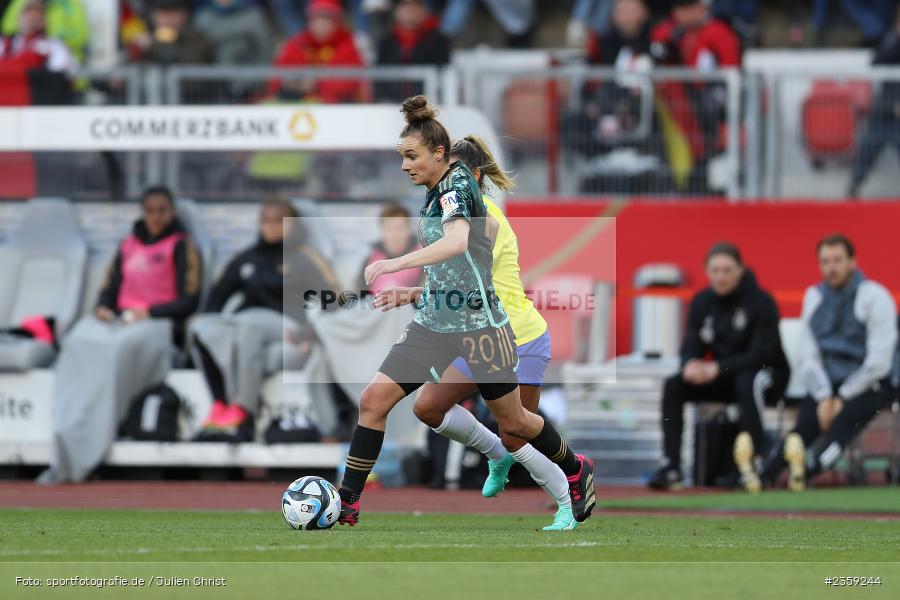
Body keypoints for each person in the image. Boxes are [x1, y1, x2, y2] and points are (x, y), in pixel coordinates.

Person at [334, 95, 595, 527]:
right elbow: (453, 264)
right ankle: (347, 502)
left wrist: (393, 265)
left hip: (483, 327)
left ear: (440, 155)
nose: (403, 165)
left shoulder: (458, 187)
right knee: (376, 400)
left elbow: (457, 243)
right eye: (402, 156)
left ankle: (574, 469)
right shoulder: (436, 190)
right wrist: (412, 294)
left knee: (515, 424)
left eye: (410, 156)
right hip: (437, 324)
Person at [376, 135, 576, 530]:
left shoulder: (487, 221)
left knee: (519, 431)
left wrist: (409, 284)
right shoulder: (455, 217)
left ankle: (567, 500)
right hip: (476, 335)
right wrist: (414, 293)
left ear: (475, 176)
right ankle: (495, 453)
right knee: (428, 407)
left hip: (517, 338)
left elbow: (474, 288)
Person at [37, 186, 202, 484]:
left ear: (171, 211)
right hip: (118, 321)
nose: (155, 217)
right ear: (142, 211)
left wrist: (149, 312)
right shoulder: (127, 245)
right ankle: (66, 431)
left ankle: (96, 438)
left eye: (162, 210)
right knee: (77, 343)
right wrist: (102, 307)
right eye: (149, 210)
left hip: (155, 326)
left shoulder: (181, 246)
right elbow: (108, 290)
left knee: (116, 352)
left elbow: (189, 300)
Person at [190, 200, 340, 441]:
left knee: (247, 325)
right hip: (246, 329)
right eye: (265, 221)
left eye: (278, 221)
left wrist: (309, 334)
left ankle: (243, 412)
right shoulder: (247, 258)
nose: (271, 227)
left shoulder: (306, 258)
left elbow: (333, 302)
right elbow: (215, 301)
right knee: (201, 328)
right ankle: (219, 404)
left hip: (289, 329)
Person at [648, 242, 790, 492]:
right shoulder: (702, 302)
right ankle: (671, 464)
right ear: (707, 272)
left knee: (748, 381)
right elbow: (690, 343)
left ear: (740, 270)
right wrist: (690, 365)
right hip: (725, 376)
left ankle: (750, 465)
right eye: (716, 270)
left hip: (768, 374)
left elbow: (761, 354)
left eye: (727, 270)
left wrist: (716, 368)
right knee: (675, 384)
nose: (721, 276)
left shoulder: (761, 301)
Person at [761, 234, 897, 491]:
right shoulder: (814, 297)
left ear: (852, 262)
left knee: (843, 425)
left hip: (870, 385)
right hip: (828, 385)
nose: (831, 267)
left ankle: (808, 470)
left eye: (837, 260)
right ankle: (765, 473)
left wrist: (842, 397)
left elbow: (879, 362)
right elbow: (808, 356)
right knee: (805, 426)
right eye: (825, 261)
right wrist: (824, 396)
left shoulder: (875, 297)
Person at [650, 0, 741, 193]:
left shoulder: (719, 32)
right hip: (677, 113)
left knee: (714, 167)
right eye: (680, 9)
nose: (684, 14)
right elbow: (655, 50)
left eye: (689, 8)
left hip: (711, 114)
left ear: (703, 8)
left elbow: (731, 73)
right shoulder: (670, 32)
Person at [269, 0, 366, 103]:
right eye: (317, 18)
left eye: (327, 18)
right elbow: (276, 79)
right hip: (299, 104)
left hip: (335, 108)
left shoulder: (348, 43)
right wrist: (295, 83)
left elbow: (351, 81)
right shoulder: (298, 42)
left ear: (336, 21)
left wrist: (316, 83)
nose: (321, 24)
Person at [847, 10, 900, 198]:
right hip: (885, 108)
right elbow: (877, 62)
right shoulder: (890, 40)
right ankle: (854, 186)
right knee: (869, 148)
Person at [374, 0, 449, 101]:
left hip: (428, 106)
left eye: (416, 4)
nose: (411, 9)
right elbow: (379, 78)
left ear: (424, 11)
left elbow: (443, 76)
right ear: (396, 11)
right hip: (392, 105)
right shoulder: (386, 43)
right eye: (405, 4)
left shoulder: (437, 41)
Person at [356, 203, 423, 295]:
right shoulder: (369, 261)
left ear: (409, 229)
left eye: (400, 228)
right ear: (382, 230)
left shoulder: (422, 259)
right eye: (389, 228)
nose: (395, 235)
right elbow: (359, 295)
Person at [130, 0, 214, 65]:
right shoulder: (146, 37)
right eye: (163, 14)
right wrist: (137, 50)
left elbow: (191, 64)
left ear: (185, 15)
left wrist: (154, 45)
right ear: (153, 16)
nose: (168, 20)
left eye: (173, 14)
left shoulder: (198, 39)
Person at [1, 0, 87, 63]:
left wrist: (47, 40)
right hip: (22, 75)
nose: (31, 19)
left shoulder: (70, 3)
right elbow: (7, 29)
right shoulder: (20, 2)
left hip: (64, 69)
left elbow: (80, 37)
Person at [194, 0, 274, 65]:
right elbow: (197, 53)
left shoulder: (253, 17)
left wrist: (255, 77)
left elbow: (266, 49)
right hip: (212, 79)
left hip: (248, 77)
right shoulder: (203, 19)